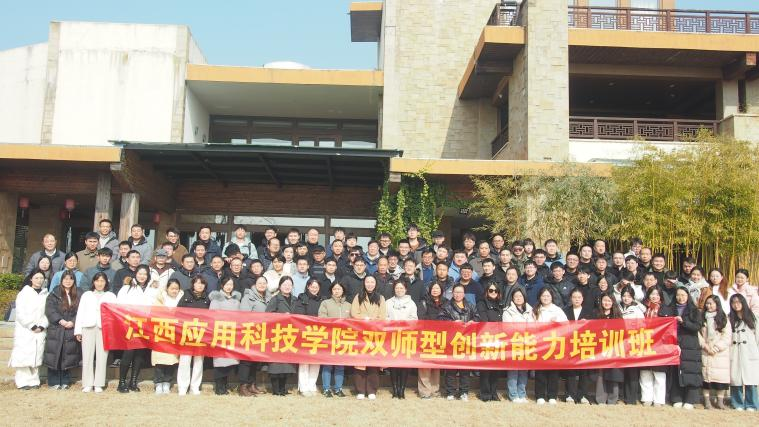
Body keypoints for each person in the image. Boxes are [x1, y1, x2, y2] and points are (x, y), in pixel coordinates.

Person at [75, 272, 116, 393]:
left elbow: (114, 315)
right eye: (97, 281)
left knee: (102, 356)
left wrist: (112, 331)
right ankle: (87, 383)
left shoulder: (111, 296)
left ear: (106, 282)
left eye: (102, 281)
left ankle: (99, 383)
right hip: (87, 327)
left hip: (104, 328)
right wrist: (78, 330)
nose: (99, 283)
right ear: (93, 282)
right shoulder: (86, 295)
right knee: (87, 356)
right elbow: (80, 312)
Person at [438, 283, 479, 401]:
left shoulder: (470, 305)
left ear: (464, 294)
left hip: (466, 340)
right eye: (455, 292)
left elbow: (477, 317)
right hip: (452, 340)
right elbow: (440, 319)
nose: (458, 294)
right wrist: (452, 323)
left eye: (460, 292)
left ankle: (463, 392)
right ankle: (450, 392)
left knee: (464, 368)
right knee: (450, 368)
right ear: (452, 293)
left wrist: (473, 321)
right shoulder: (446, 306)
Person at [116, 264, 153, 392]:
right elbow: (119, 306)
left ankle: (133, 382)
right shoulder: (127, 288)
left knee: (139, 354)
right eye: (140, 273)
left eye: (145, 274)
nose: (142, 276)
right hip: (129, 325)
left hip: (144, 325)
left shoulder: (152, 289)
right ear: (135, 274)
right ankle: (121, 382)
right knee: (128, 353)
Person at [10, 269, 49, 389]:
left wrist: (42, 325)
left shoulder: (46, 294)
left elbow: (48, 312)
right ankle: (22, 382)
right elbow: (20, 312)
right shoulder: (24, 293)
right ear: (31, 279)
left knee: (36, 355)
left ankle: (34, 381)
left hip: (40, 330)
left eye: (41, 278)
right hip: (26, 329)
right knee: (24, 355)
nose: (39, 280)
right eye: (36, 278)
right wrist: (31, 325)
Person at [43, 270, 81, 390]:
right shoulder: (54, 293)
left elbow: (82, 310)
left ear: (74, 280)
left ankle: (65, 380)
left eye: (70, 279)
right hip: (57, 328)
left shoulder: (79, 293)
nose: (68, 281)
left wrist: (73, 322)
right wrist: (60, 320)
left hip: (71, 329)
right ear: (61, 280)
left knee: (67, 355)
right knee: (55, 355)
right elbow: (50, 309)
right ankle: (53, 381)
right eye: (65, 279)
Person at [350, 276, 386, 400]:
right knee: (360, 363)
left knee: (373, 362)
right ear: (364, 283)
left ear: (375, 284)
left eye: (372, 282)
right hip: (361, 333)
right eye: (367, 282)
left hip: (375, 334)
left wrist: (373, 321)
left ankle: (372, 390)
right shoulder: (358, 296)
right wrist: (365, 319)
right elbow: (354, 313)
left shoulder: (381, 298)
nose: (370, 284)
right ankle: (360, 390)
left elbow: (382, 316)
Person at [176, 276, 211, 395]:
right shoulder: (186, 295)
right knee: (185, 360)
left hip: (201, 333)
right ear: (193, 284)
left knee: (199, 361)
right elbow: (178, 313)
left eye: (202, 283)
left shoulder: (207, 298)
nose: (200, 285)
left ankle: (195, 387)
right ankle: (182, 387)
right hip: (187, 332)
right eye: (197, 283)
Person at [671, 285, 704, 409]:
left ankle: (690, 399)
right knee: (676, 371)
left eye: (683, 295)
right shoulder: (671, 308)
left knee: (691, 371)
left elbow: (697, 326)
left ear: (688, 296)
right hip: (675, 342)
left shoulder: (694, 310)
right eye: (678, 295)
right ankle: (676, 398)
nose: (681, 297)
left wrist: (683, 322)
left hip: (690, 344)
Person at [639, 286, 673, 407]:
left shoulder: (666, 309)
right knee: (645, 371)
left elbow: (669, 328)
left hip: (660, 344)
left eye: (657, 294)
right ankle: (646, 397)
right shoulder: (643, 309)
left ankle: (658, 399)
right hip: (645, 343)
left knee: (659, 373)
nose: (654, 296)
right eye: (652, 294)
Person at [533, 287, 568, 404]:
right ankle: (540, 395)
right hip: (540, 344)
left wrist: (556, 324)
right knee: (540, 371)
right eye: (543, 296)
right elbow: (530, 326)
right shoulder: (535, 310)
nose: (545, 298)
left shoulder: (557, 310)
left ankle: (552, 395)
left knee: (553, 371)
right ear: (539, 297)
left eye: (548, 296)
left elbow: (567, 325)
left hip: (554, 344)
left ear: (552, 297)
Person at [209, 276, 242, 395]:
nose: (229, 287)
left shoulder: (236, 300)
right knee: (220, 361)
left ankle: (225, 384)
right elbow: (213, 316)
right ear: (222, 285)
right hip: (220, 333)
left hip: (232, 333)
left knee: (229, 361)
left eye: (231, 285)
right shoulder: (216, 300)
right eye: (227, 284)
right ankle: (219, 386)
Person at [266, 276, 299, 396]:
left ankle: (283, 388)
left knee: (287, 364)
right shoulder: (275, 299)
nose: (287, 287)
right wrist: (281, 316)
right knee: (276, 364)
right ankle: (276, 390)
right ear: (280, 286)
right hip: (277, 334)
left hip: (290, 334)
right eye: (285, 284)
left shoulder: (295, 299)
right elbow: (268, 315)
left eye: (289, 285)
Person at [385, 278, 418, 399]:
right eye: (397, 288)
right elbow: (385, 317)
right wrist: (392, 323)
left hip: (406, 336)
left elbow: (414, 318)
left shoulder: (411, 303)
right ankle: (395, 389)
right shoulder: (388, 302)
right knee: (393, 364)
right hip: (392, 336)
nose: (399, 290)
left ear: (406, 289)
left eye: (401, 288)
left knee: (404, 364)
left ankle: (402, 389)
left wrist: (404, 323)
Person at [238, 276, 270, 396]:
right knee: (246, 360)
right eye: (259, 283)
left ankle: (252, 385)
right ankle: (243, 386)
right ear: (255, 284)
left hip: (262, 333)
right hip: (250, 331)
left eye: (264, 283)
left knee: (255, 360)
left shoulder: (268, 297)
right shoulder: (248, 297)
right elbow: (244, 315)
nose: (262, 285)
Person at [318, 282, 351, 398]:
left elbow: (353, 322)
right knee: (327, 364)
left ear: (343, 291)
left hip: (343, 339)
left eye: (339, 289)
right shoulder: (325, 303)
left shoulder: (349, 305)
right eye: (334, 289)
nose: (337, 291)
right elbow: (321, 318)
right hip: (329, 338)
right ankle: (326, 388)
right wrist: (336, 323)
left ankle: (338, 389)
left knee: (340, 365)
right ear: (331, 291)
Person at [151, 279, 184, 395]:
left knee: (172, 360)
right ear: (167, 289)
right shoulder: (160, 299)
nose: (174, 291)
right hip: (161, 333)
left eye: (176, 289)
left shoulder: (182, 299)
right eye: (172, 288)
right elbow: (154, 314)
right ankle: (158, 382)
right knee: (159, 360)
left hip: (175, 333)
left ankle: (167, 382)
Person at [699, 294, 731, 409]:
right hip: (706, 350)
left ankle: (720, 401)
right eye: (707, 303)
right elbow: (698, 334)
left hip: (720, 352)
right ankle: (707, 401)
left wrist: (716, 348)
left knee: (720, 378)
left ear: (717, 304)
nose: (709, 306)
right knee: (706, 377)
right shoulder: (702, 317)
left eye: (711, 303)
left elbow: (727, 336)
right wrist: (705, 346)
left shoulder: (724, 318)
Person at [293, 278, 324, 396]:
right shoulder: (302, 298)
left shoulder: (322, 299)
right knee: (304, 360)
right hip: (305, 332)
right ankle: (303, 387)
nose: (314, 289)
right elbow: (299, 315)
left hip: (319, 333)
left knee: (316, 360)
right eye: (312, 287)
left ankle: (312, 385)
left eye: (316, 287)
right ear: (308, 287)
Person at [416, 282, 447, 399]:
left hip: (440, 336)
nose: (435, 290)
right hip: (426, 335)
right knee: (425, 365)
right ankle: (424, 391)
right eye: (433, 288)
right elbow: (421, 317)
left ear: (441, 290)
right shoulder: (424, 302)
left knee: (436, 365)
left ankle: (435, 390)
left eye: (437, 288)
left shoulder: (446, 302)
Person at [728, 293, 759, 411]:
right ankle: (737, 403)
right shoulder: (729, 318)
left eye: (738, 302)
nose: (736, 305)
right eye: (733, 302)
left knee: (751, 379)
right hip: (735, 352)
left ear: (743, 303)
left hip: (750, 352)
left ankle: (751, 404)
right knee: (736, 379)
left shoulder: (753, 317)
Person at [502, 287, 532, 402]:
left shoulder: (530, 310)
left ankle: (522, 394)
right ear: (512, 298)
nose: (518, 298)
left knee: (524, 371)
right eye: (516, 296)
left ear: (524, 297)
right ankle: (513, 395)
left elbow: (533, 326)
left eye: (520, 296)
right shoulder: (507, 311)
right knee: (513, 370)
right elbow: (508, 328)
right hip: (514, 343)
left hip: (527, 344)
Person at [563, 288, 593, 404]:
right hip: (570, 343)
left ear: (582, 299)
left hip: (584, 343)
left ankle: (583, 395)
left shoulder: (589, 312)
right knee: (570, 370)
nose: (576, 299)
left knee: (584, 371)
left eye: (579, 297)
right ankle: (570, 394)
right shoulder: (565, 311)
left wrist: (587, 324)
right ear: (571, 298)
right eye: (574, 297)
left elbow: (595, 328)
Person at [476, 282, 504, 402]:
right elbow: (484, 320)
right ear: (487, 291)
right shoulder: (481, 303)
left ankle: (493, 392)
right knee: (486, 368)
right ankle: (485, 393)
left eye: (495, 291)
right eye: (491, 290)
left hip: (499, 339)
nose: (493, 292)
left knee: (496, 368)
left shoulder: (501, 304)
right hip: (486, 338)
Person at [595, 293, 623, 405]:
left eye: (609, 301)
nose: (606, 303)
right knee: (600, 374)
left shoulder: (617, 316)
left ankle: (612, 399)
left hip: (614, 349)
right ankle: (600, 398)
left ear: (613, 302)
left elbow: (623, 332)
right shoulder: (596, 314)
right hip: (600, 349)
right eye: (604, 300)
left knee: (614, 373)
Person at [619, 286, 644, 405]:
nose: (626, 298)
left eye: (628, 296)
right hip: (620, 343)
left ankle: (632, 398)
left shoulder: (637, 310)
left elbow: (642, 326)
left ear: (633, 297)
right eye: (624, 296)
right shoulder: (618, 308)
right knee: (623, 370)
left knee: (632, 371)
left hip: (633, 342)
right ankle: (623, 395)